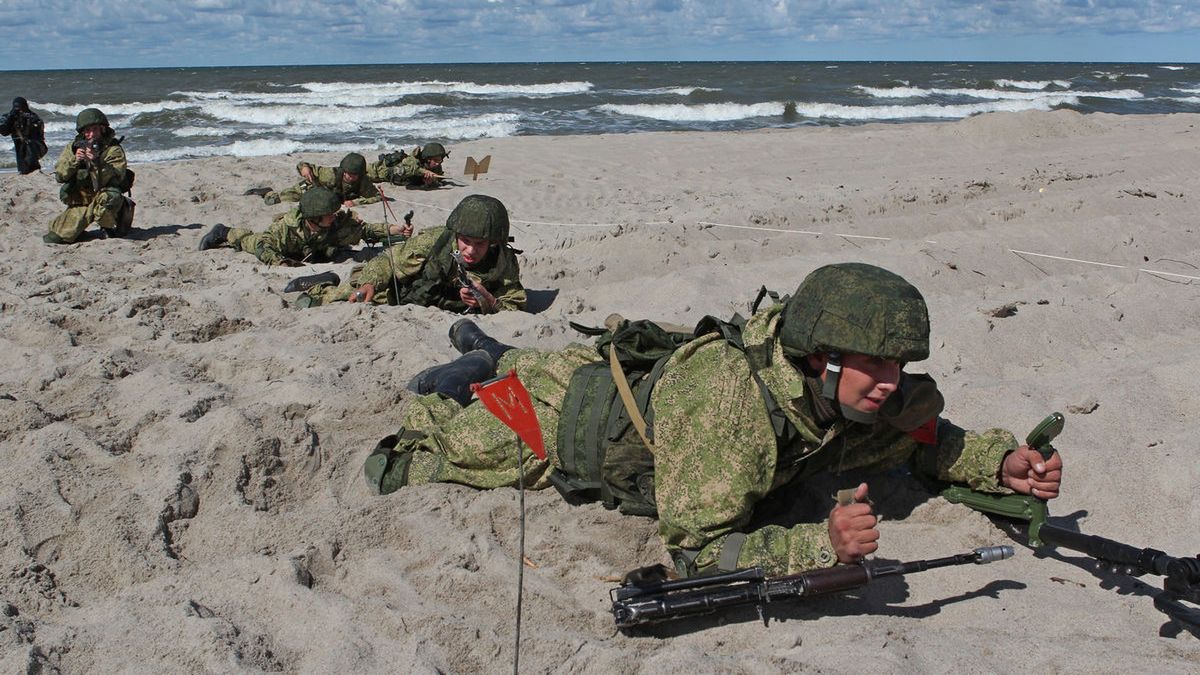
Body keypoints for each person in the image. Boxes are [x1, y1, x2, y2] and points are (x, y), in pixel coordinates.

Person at [363, 262, 1064, 578]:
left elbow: (923, 439)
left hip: (629, 385)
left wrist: (997, 464)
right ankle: (462, 376)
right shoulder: (736, 414)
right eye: (877, 365)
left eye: (900, 366)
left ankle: (493, 353)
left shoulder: (849, 391)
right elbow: (696, 547)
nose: (892, 382)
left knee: (539, 361)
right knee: (407, 460)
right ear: (820, 357)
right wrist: (820, 544)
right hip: (555, 424)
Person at [296, 193, 525, 312]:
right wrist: (369, 282)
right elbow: (388, 260)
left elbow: (515, 303)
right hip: (404, 292)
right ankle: (322, 285)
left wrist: (487, 301)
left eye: (480, 244)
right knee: (350, 295)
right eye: (465, 241)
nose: (471, 250)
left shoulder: (502, 262)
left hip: (442, 306)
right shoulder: (435, 241)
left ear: (494, 242)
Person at [198, 186, 409, 266]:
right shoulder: (285, 230)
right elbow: (264, 246)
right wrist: (281, 263)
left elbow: (366, 231)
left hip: (314, 252)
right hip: (289, 249)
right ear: (314, 217)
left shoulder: (334, 225)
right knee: (249, 241)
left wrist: (395, 229)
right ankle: (223, 232)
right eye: (329, 215)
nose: (334, 218)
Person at [46, 108, 134, 245]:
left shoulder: (113, 149)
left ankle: (109, 226)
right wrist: (75, 160)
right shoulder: (74, 147)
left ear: (102, 129)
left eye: (94, 129)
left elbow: (117, 177)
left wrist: (96, 162)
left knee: (109, 198)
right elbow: (60, 176)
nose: (91, 134)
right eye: (87, 131)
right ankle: (79, 229)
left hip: (104, 197)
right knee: (56, 238)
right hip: (83, 199)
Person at [254, 152, 381, 207]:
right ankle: (267, 192)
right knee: (274, 200)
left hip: (327, 200)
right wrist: (304, 169)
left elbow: (378, 197)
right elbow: (304, 165)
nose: (349, 177)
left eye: (354, 174)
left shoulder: (363, 182)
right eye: (347, 173)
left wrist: (356, 203)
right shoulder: (330, 174)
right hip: (310, 188)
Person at [367, 142, 447, 188]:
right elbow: (406, 171)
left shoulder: (436, 167)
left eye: (440, 160)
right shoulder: (412, 162)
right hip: (377, 171)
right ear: (428, 159)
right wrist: (423, 172)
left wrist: (429, 182)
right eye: (435, 160)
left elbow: (438, 180)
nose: (438, 163)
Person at [0, 97, 46, 174]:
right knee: (20, 148)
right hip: (19, 144)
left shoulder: (32, 117)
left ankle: (31, 168)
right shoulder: (11, 117)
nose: (20, 111)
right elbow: (4, 132)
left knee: (30, 146)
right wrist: (11, 118)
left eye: (21, 108)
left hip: (33, 145)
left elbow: (40, 135)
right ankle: (24, 169)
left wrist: (31, 123)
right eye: (17, 109)